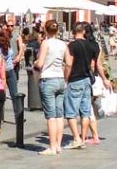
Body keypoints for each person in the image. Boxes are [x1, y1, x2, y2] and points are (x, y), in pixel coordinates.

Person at [34, 19, 69, 155]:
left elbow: (40, 63)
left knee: (50, 116)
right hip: (60, 79)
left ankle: (52, 147)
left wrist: (35, 63)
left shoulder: (45, 43)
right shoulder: (63, 44)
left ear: (46, 30)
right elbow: (69, 62)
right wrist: (65, 76)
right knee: (59, 114)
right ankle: (58, 145)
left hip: (48, 79)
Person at [63, 22, 97, 150]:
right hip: (86, 79)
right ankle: (83, 138)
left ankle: (76, 138)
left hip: (75, 79)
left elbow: (69, 63)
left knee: (71, 112)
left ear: (73, 32)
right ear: (84, 32)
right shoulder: (91, 45)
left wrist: (66, 77)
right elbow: (93, 65)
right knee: (85, 111)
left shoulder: (71, 45)